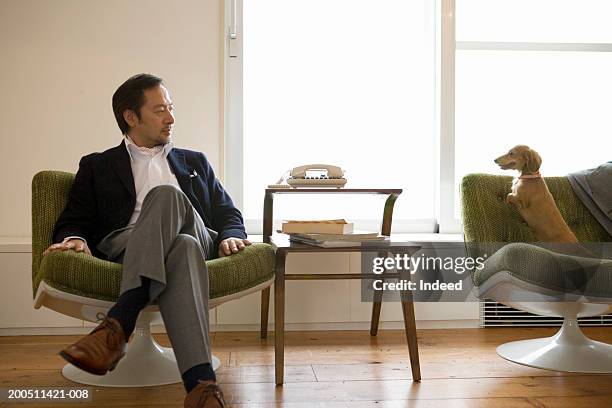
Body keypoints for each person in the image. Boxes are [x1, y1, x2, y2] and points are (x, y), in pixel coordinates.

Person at [43, 73, 249, 408]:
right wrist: (75, 238)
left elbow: (228, 213)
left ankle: (117, 325)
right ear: (130, 116)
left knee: (167, 198)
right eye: (159, 110)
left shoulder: (195, 162)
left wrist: (232, 235)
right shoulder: (98, 166)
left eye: (171, 108)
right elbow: (73, 220)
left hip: (193, 229)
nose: (171, 118)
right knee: (182, 248)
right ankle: (201, 388)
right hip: (128, 243)